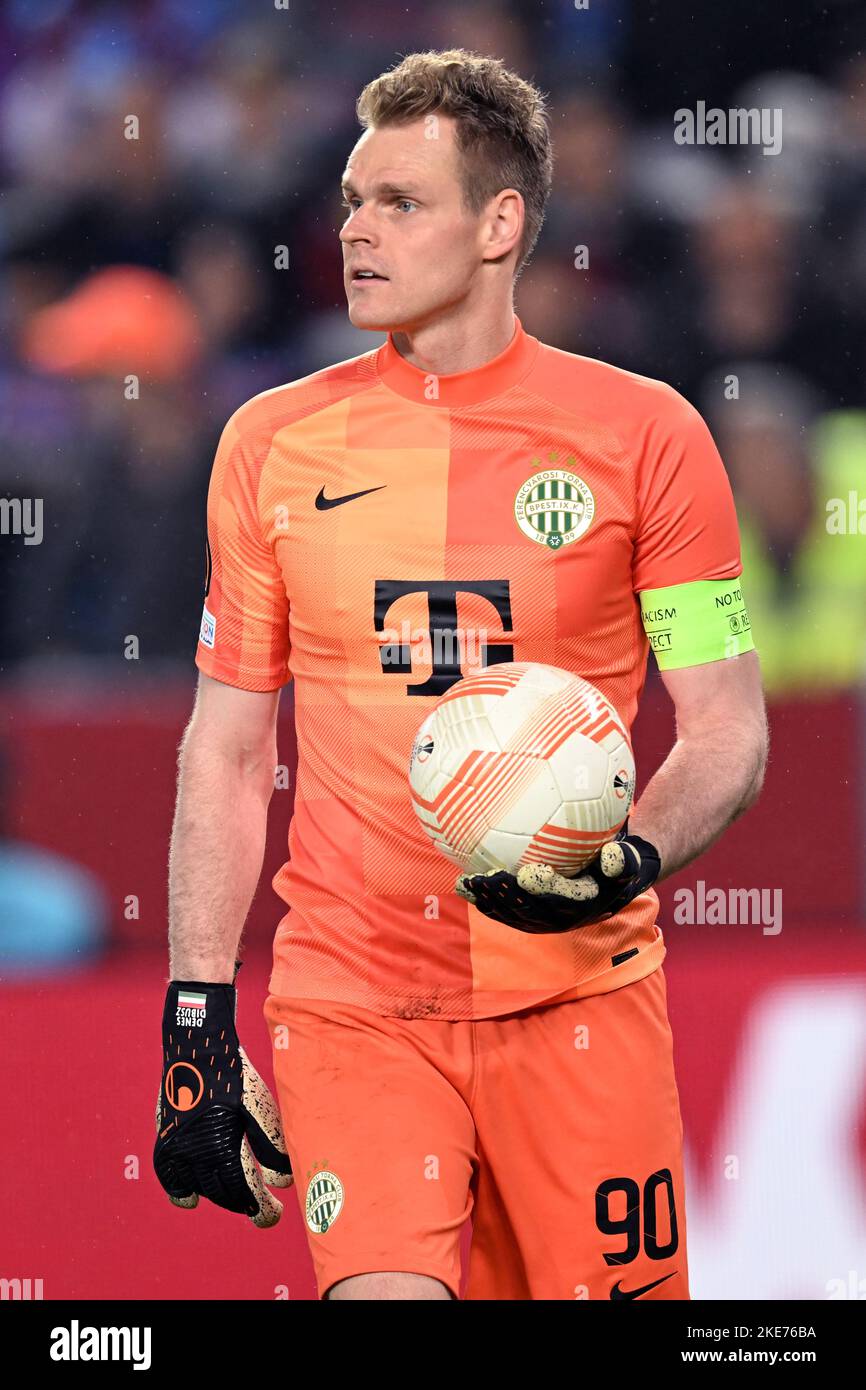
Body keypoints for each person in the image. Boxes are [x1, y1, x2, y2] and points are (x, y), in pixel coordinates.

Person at [154, 48, 768, 1301]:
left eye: (399, 203)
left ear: (500, 225)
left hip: (577, 1005)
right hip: (353, 1004)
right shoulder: (268, 445)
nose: (356, 233)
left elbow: (725, 734)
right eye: (349, 203)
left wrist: (628, 859)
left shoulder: (647, 435)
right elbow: (223, 749)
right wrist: (195, 1015)